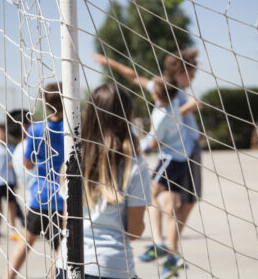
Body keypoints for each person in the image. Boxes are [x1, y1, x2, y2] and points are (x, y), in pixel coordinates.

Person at [93, 48, 202, 276]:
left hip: (183, 153)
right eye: (190, 75)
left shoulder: (167, 93)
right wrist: (110, 62)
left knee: (182, 204)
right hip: (182, 154)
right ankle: (166, 249)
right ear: (179, 72)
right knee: (168, 203)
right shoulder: (170, 92)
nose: (192, 80)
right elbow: (133, 76)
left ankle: (168, 250)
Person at [56, 84, 151, 279]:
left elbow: (67, 224)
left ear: (89, 115)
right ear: (129, 115)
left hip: (67, 265)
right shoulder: (135, 166)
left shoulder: (72, 161)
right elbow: (134, 232)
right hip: (112, 267)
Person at [139, 77, 198, 278]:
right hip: (183, 156)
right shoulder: (173, 100)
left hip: (171, 159)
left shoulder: (161, 116)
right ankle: (173, 257)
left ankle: (159, 243)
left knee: (149, 193)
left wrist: (138, 146)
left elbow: (153, 144)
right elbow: (159, 86)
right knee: (171, 207)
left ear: (156, 95)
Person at [4, 83, 65, 279]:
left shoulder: (36, 129)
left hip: (40, 196)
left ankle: (8, 276)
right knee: (60, 250)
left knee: (26, 241)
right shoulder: (72, 129)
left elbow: (28, 164)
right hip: (62, 200)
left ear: (46, 105)